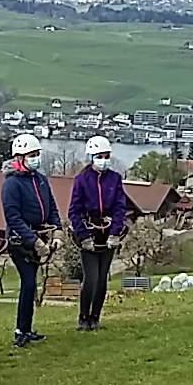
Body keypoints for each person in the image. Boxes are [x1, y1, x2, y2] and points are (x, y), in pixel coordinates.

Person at [1, 133, 62, 348]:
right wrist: (34, 241)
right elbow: (13, 218)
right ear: (20, 157)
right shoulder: (11, 184)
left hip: (40, 236)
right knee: (28, 283)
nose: (35, 158)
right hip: (20, 241)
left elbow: (52, 207)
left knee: (31, 284)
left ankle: (26, 329)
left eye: (37, 154)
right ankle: (21, 331)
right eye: (31, 155)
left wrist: (57, 232)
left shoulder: (40, 179)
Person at [68, 135, 127, 331]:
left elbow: (120, 207)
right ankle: (83, 317)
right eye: (99, 157)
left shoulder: (114, 179)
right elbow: (74, 211)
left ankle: (95, 317)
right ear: (91, 158)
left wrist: (115, 233)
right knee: (91, 278)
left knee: (102, 278)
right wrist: (83, 237)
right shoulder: (81, 180)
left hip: (108, 234)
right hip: (89, 233)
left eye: (106, 156)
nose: (103, 160)